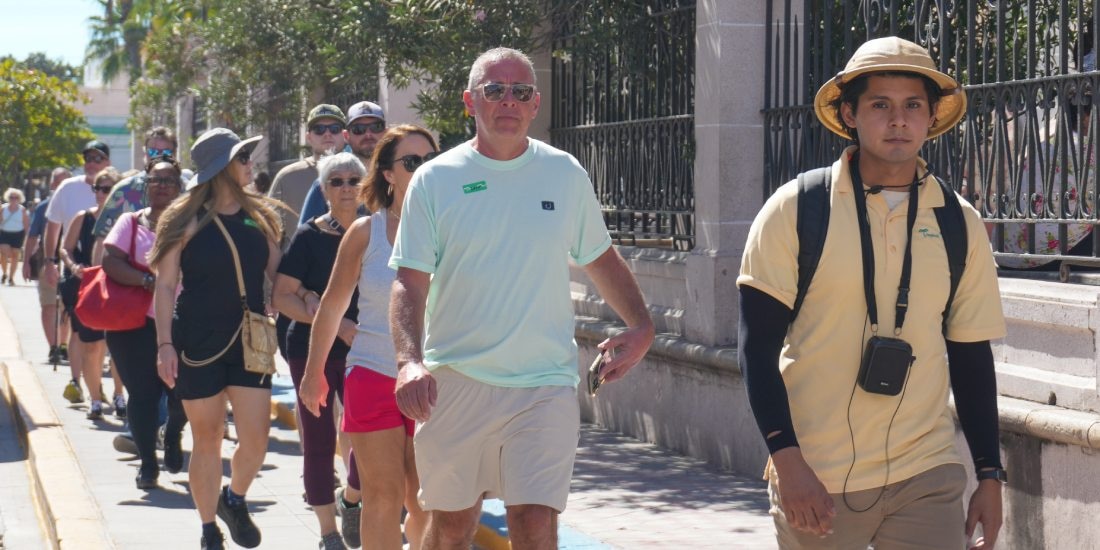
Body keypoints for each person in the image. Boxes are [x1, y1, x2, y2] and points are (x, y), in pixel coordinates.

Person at [736, 37, 1007, 549]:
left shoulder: (959, 223)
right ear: (850, 114)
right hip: (816, 478)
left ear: (930, 119)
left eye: (912, 106)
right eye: (880, 105)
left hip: (925, 472)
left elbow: (971, 355)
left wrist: (989, 474)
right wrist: (786, 460)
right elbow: (755, 349)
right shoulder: (795, 210)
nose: (898, 120)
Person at [389, 48, 655, 549]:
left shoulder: (565, 172)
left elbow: (599, 256)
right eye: (494, 90)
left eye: (521, 92)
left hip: (544, 384)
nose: (508, 101)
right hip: (455, 381)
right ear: (471, 102)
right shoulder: (435, 179)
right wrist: (408, 361)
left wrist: (641, 326)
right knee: (451, 527)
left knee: (534, 522)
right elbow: (410, 281)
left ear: (536, 104)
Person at [301, 129, 439, 549]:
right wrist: (312, 375)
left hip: (437, 382)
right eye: (412, 162)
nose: (424, 169)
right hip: (373, 374)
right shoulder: (366, 231)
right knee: (383, 498)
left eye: (431, 160)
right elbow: (332, 305)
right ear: (387, 174)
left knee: (427, 503)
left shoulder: (453, 230)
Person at [151, 128, 282, 550]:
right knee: (206, 437)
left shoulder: (262, 217)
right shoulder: (184, 219)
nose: (249, 165)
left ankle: (234, 497)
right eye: (242, 158)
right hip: (197, 342)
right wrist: (165, 345)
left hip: (250, 340)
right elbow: (166, 286)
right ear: (222, 167)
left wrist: (309, 299)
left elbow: (280, 278)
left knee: (256, 440)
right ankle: (209, 529)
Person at [274, 151, 368, 550]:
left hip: (367, 351)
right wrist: (332, 322)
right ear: (324, 190)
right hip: (310, 349)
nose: (346, 188)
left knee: (369, 436)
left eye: (352, 180)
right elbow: (281, 296)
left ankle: (352, 499)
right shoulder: (310, 236)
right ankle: (328, 533)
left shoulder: (378, 231)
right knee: (317, 440)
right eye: (336, 182)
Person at [102, 157, 189, 490]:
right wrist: (146, 281)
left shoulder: (190, 224)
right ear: (146, 185)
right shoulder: (131, 222)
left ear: (180, 187)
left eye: (169, 180)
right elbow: (109, 261)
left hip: (182, 320)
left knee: (182, 391)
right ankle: (148, 465)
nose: (162, 185)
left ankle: (174, 434)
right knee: (142, 394)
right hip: (133, 324)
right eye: (155, 180)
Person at [45, 140, 110, 402]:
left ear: (107, 161)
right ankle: (76, 381)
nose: (92, 162)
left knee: (102, 332)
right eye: (88, 158)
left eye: (98, 158)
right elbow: (53, 227)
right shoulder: (68, 187)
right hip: (77, 271)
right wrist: (50, 262)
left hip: (108, 273)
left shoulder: (115, 187)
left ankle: (96, 385)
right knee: (77, 328)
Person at [60, 167, 127, 420]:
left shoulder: (127, 219)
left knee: (118, 346)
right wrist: (74, 266)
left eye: (108, 188)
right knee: (92, 346)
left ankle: (120, 395)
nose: (101, 193)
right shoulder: (83, 217)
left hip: (119, 289)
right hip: (89, 288)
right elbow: (65, 248)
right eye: (98, 188)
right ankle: (95, 400)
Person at [91, 126, 180, 265]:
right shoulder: (123, 190)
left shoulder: (188, 190)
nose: (159, 156)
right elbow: (103, 239)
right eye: (153, 151)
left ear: (174, 154)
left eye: (166, 152)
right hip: (128, 277)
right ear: (145, 153)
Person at [268, 103, 347, 246]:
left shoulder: (361, 176)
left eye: (334, 129)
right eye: (319, 129)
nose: (327, 134)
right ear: (308, 137)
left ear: (345, 135)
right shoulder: (287, 177)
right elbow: (270, 232)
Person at [298, 101, 386, 224]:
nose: (368, 134)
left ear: (386, 131)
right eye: (359, 129)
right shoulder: (331, 178)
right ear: (346, 135)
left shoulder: (398, 175)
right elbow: (307, 237)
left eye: (376, 127)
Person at [22, 167, 72, 362]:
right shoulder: (44, 207)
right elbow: (33, 236)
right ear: (53, 185)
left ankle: (64, 345)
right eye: (58, 182)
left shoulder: (76, 205)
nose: (61, 187)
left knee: (67, 307)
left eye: (65, 182)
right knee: (49, 306)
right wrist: (26, 261)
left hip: (71, 262)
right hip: (48, 260)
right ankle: (53, 347)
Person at [1, 188, 30, 285]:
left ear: (19, 198)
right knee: (4, 253)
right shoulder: (3, 208)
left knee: (15, 255)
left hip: (18, 234)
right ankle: (4, 272)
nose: (13, 199)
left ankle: (11, 277)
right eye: (11, 197)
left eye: (15, 197)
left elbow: (26, 225)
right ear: (8, 198)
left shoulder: (22, 210)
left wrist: (28, 238)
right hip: (4, 233)